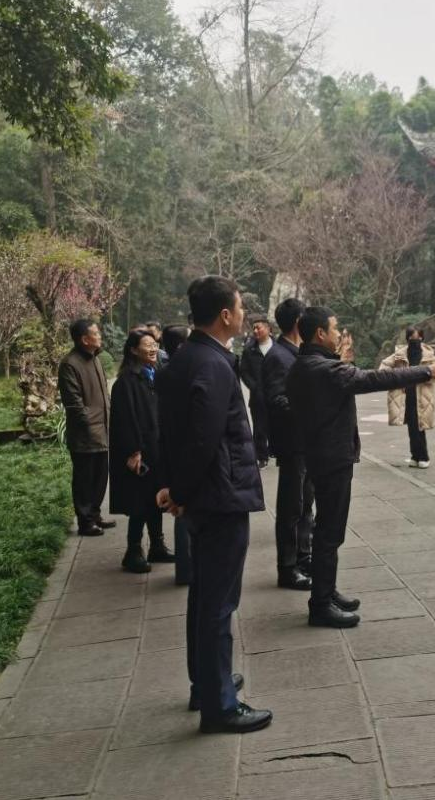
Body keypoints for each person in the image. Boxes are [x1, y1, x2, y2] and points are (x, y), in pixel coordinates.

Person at [286, 307, 435, 628]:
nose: (338, 333)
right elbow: (375, 378)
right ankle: (320, 604)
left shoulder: (303, 365)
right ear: (320, 333)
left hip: (320, 455)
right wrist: (425, 371)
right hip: (332, 458)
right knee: (330, 532)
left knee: (327, 529)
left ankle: (326, 591)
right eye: (334, 328)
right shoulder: (324, 369)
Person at [156, 276, 272, 734]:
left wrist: (173, 486)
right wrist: (180, 492)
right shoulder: (215, 365)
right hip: (220, 498)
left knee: (203, 597)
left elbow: (171, 431)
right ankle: (220, 704)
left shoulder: (185, 358)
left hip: (203, 496)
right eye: (240, 308)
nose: (243, 315)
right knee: (219, 604)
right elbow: (203, 439)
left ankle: (205, 683)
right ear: (225, 314)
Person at [110, 329, 176, 573]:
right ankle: (133, 551)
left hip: (156, 448)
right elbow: (124, 420)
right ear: (133, 350)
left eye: (155, 343)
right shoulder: (126, 382)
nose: (153, 348)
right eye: (147, 344)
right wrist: (133, 451)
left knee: (155, 499)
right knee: (139, 503)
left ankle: (157, 546)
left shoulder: (154, 374)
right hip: (140, 452)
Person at [261, 298, 314, 590]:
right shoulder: (279, 357)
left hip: (305, 441)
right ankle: (288, 567)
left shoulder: (295, 353)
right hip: (292, 443)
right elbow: (277, 400)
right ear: (297, 322)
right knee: (292, 507)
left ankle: (304, 559)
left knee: (305, 505)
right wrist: (311, 407)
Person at [58, 320, 115, 537]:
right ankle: (85, 521)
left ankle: (95, 515)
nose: (100, 336)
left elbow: (104, 395)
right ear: (84, 339)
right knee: (84, 480)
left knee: (100, 478)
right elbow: (74, 405)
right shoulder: (70, 364)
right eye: (96, 333)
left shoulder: (95, 359)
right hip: (85, 434)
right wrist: (92, 424)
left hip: (102, 430)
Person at [159, 324, 194, 585]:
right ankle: (188, 570)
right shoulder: (184, 374)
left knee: (182, 510)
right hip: (185, 449)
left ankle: (185, 569)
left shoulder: (164, 373)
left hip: (172, 447)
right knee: (186, 512)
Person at [380, 326, 435, 469]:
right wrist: (395, 377)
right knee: (412, 427)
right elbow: (384, 366)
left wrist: (425, 375)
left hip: (422, 395)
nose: (415, 340)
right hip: (406, 395)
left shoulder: (428, 354)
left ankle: (423, 457)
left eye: (418, 338)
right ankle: (415, 456)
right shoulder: (400, 354)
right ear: (407, 338)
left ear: (422, 338)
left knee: (419, 426)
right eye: (412, 338)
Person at [239, 318, 274, 467]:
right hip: (258, 396)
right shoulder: (250, 350)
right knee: (259, 427)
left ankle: (275, 450)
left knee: (276, 424)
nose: (255, 331)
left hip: (276, 393)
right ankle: (261, 456)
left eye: (258, 328)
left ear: (268, 329)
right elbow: (244, 371)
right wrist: (254, 386)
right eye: (254, 328)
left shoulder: (277, 347)